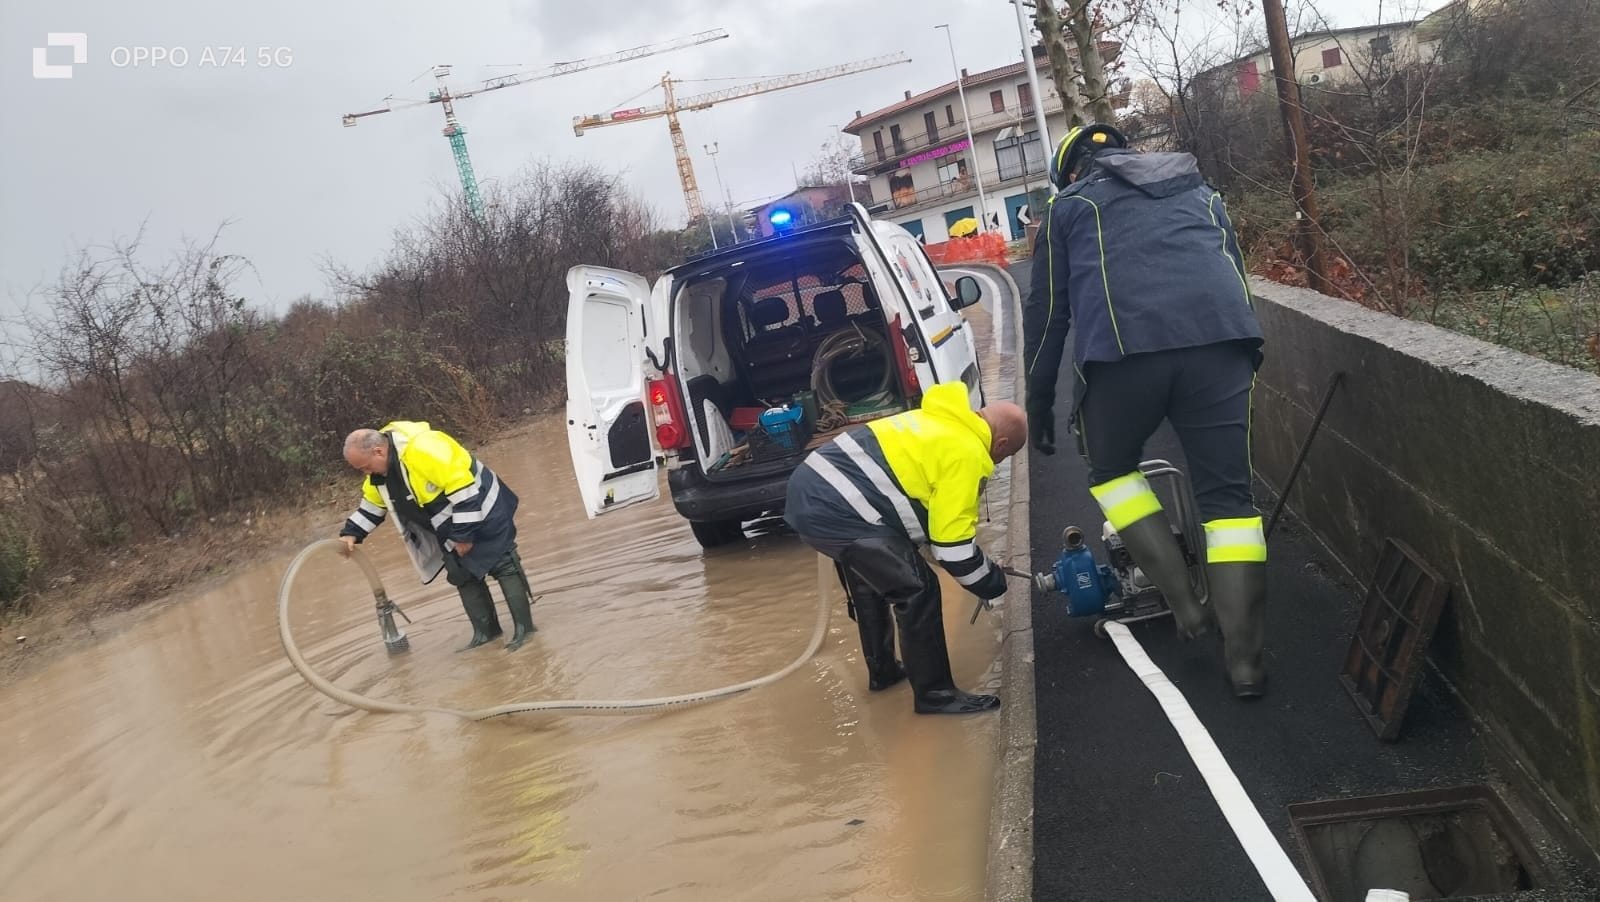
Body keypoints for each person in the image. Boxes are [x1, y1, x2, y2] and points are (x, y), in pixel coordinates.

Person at [1023, 123, 1270, 698]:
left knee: (1111, 471)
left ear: (1071, 172)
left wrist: (1039, 401)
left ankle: (1185, 606)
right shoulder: (1201, 192)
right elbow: (1232, 272)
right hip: (1222, 346)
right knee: (1230, 503)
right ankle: (1247, 663)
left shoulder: (1069, 209)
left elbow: (1048, 313)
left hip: (1126, 353)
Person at [784, 382, 1027, 715]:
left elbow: (928, 529)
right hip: (836, 504)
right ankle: (935, 695)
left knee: (874, 580)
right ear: (1000, 444)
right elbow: (952, 549)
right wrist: (992, 580)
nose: (998, 462)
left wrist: (973, 562)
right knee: (916, 588)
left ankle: (883, 672)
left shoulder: (938, 421)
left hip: (811, 488)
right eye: (1005, 456)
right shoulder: (968, 451)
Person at [339, 421, 537, 652]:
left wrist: (464, 536)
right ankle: (486, 634)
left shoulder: (424, 448)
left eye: (364, 467)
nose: (366, 473)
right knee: (462, 574)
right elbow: (372, 505)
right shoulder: (381, 474)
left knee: (503, 564)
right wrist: (351, 534)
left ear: (378, 451)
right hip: (448, 523)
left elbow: (464, 490)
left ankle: (526, 631)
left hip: (484, 506)